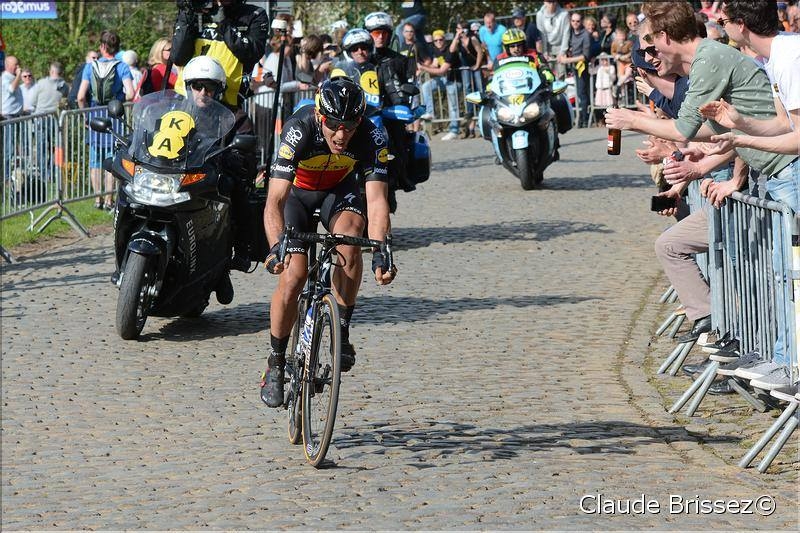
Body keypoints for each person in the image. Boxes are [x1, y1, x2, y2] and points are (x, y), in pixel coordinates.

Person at [605, 2, 799, 387]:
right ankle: (772, 355)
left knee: (783, 276)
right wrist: (724, 144)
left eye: (650, 48)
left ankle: (782, 361)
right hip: (773, 173)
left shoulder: (712, 58)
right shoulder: (729, 58)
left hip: (785, 173)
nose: (650, 58)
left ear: (664, 37)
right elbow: (748, 126)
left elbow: (685, 128)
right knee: (777, 274)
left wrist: (633, 120)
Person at [259, 78, 397, 407]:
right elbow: (274, 201)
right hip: (297, 196)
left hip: (338, 192)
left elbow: (377, 201)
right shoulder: (299, 130)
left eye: (349, 126)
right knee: (293, 275)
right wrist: (277, 246)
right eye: (333, 124)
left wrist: (381, 251)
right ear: (320, 116)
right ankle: (276, 362)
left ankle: (342, 329)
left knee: (351, 240)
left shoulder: (372, 136)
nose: (340, 134)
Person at [695, 0, 800, 391]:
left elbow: (798, 138)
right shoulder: (777, 57)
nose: (721, 27)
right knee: (784, 273)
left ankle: (789, 365)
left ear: (741, 24)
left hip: (793, 174)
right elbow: (781, 123)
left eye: (723, 21)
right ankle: (785, 360)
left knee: (791, 276)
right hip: (785, 174)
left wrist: (742, 139)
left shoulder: (789, 57)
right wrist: (739, 123)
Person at [171, 0, 269, 273]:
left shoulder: (254, 15)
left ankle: (242, 245)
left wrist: (223, 20)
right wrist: (187, 15)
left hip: (226, 107)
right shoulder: (197, 10)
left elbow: (250, 52)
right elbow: (178, 55)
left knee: (234, 176)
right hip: (184, 103)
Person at [76, 30, 135, 211]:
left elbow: (80, 97)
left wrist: (86, 116)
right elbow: (131, 93)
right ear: (117, 48)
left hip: (94, 114)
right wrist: (120, 100)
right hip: (113, 114)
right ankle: (109, 200)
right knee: (112, 157)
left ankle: (97, 199)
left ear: (102, 46)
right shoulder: (122, 67)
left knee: (95, 159)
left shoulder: (90, 67)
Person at [364, 11, 418, 204]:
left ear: (389, 35)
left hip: (389, 111)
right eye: (375, 33)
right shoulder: (362, 58)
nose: (379, 37)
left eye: (383, 33)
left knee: (397, 139)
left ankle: (398, 178)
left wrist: (405, 94)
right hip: (364, 111)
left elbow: (406, 83)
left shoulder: (398, 59)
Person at [418, 29, 460, 141]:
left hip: (454, 80)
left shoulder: (450, 51)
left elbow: (442, 70)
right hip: (445, 79)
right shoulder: (436, 50)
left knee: (452, 106)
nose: (438, 42)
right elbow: (434, 65)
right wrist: (421, 65)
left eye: (440, 39)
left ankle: (454, 130)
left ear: (444, 39)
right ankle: (430, 112)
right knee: (426, 86)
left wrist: (423, 68)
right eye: (436, 40)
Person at [30, 62, 69, 181]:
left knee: (41, 147)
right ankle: (52, 172)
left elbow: (32, 101)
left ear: (51, 71)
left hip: (40, 118)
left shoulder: (41, 83)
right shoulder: (64, 85)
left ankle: (44, 174)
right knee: (57, 146)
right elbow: (66, 100)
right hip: (56, 118)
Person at [449, 19, 484, 137]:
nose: (460, 31)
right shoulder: (458, 40)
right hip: (465, 68)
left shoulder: (472, 38)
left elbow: (479, 52)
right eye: (458, 29)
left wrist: (477, 65)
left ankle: (481, 110)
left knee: (479, 88)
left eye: (461, 29)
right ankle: (470, 111)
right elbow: (451, 50)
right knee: (468, 89)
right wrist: (456, 36)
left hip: (475, 67)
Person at [559, 12, 591, 128]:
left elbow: (585, 56)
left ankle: (584, 119)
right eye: (573, 21)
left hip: (582, 67)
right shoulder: (570, 33)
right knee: (576, 93)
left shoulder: (586, 35)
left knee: (582, 93)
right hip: (573, 67)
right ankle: (579, 117)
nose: (575, 23)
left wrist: (568, 60)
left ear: (581, 22)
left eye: (577, 21)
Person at [536, 1, 571, 78]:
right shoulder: (539, 15)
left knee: (561, 75)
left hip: (560, 46)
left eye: (553, 2)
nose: (551, 4)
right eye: (549, 2)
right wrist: (544, 52)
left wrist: (562, 52)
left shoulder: (564, 14)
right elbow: (542, 34)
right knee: (548, 75)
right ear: (544, 2)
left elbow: (566, 34)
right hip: (547, 48)